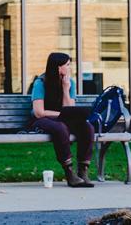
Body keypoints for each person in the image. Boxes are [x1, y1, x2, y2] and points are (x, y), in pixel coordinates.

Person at [29, 52, 94, 188]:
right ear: (58, 68)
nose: (70, 68)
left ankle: (83, 171)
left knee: (87, 128)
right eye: (68, 65)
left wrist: (65, 89)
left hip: (62, 119)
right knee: (60, 128)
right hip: (42, 120)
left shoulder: (69, 83)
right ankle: (69, 172)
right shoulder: (40, 83)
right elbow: (39, 112)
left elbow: (70, 109)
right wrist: (61, 115)